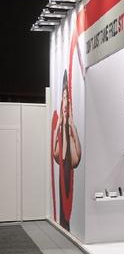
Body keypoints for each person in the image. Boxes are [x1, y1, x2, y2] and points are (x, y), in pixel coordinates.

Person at [52, 71, 81, 231]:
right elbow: (55, 155)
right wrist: (58, 127)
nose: (66, 102)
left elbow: (76, 159)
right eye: (64, 97)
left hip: (69, 177)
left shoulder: (70, 128)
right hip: (63, 176)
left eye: (68, 98)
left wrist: (72, 127)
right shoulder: (60, 129)